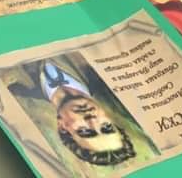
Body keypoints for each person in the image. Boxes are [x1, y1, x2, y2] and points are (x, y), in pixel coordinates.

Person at [7, 60, 137, 167]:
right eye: (107, 127)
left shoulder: (17, 93)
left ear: (63, 127)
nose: (92, 120)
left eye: (85, 131)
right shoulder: (99, 71)